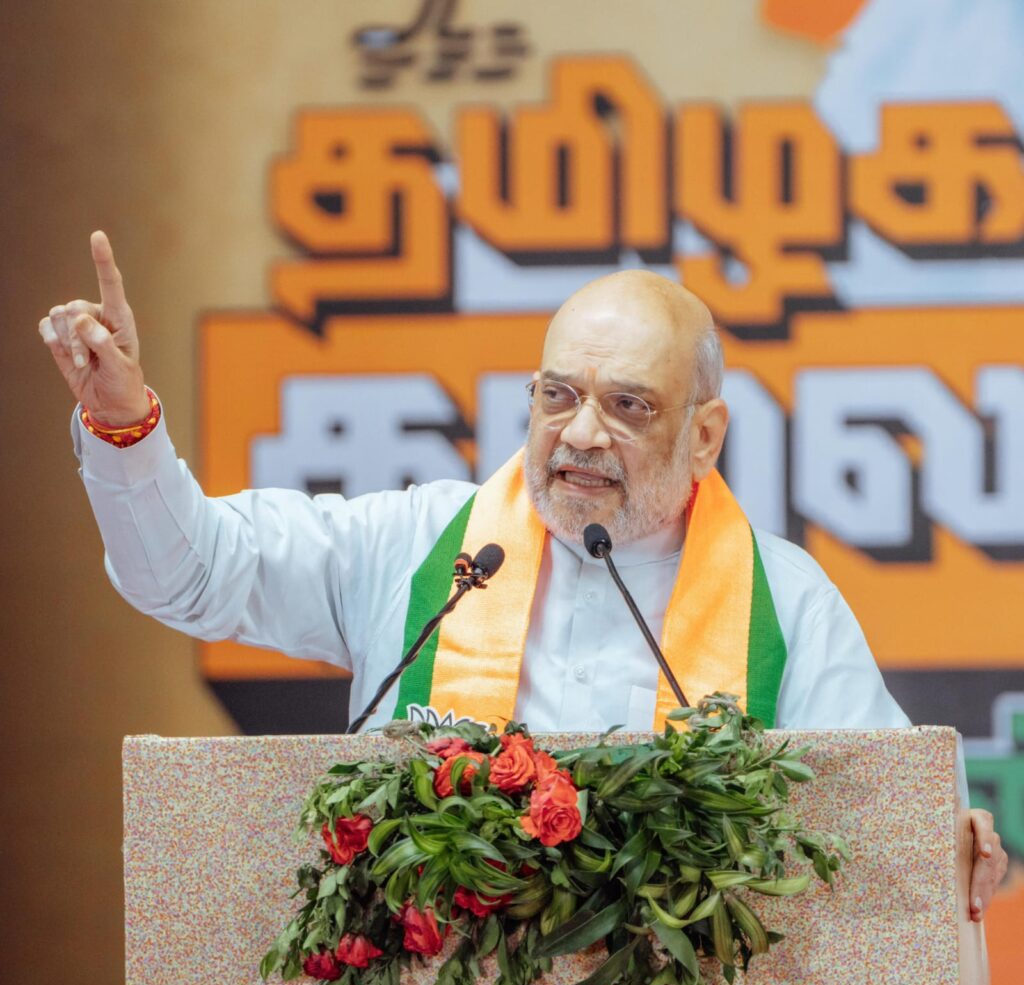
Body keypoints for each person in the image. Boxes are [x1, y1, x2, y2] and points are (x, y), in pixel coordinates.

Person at [39, 230, 1007, 919]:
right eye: (558, 395)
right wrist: (124, 426)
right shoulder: (424, 544)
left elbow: (884, 812)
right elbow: (190, 574)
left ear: (705, 434)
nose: (581, 433)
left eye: (628, 405)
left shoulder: (781, 601)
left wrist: (945, 842)